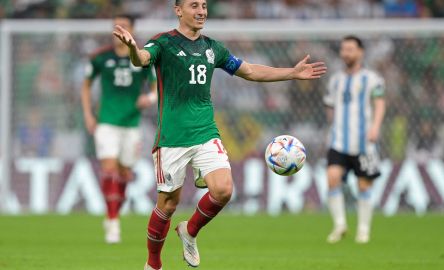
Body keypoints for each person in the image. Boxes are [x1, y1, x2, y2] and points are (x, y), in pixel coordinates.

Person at [113, 0, 327, 269]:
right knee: (167, 205)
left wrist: (292, 73)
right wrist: (133, 48)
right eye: (194, 5)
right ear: (178, 10)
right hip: (172, 137)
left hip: (205, 132)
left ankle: (189, 232)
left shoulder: (213, 48)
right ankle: (153, 263)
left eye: (204, 5)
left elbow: (249, 71)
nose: (201, 11)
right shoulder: (164, 42)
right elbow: (141, 59)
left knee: (224, 190)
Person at [81, 14, 157, 244]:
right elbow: (85, 86)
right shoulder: (100, 58)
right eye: (117, 26)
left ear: (131, 31)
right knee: (110, 169)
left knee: (124, 174)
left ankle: (113, 211)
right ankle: (113, 221)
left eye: (124, 26)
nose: (120, 30)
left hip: (131, 125)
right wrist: (88, 114)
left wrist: (150, 99)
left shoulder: (142, 58)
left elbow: (156, 86)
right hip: (106, 122)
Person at [323, 35, 386, 244]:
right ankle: (340, 225)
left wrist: (375, 127)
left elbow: (379, 103)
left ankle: (363, 230)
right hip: (339, 141)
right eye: (343, 49)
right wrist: (330, 128)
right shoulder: (335, 80)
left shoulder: (373, 79)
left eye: (350, 49)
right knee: (332, 178)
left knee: (364, 186)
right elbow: (330, 108)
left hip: (364, 142)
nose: (346, 53)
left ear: (360, 52)